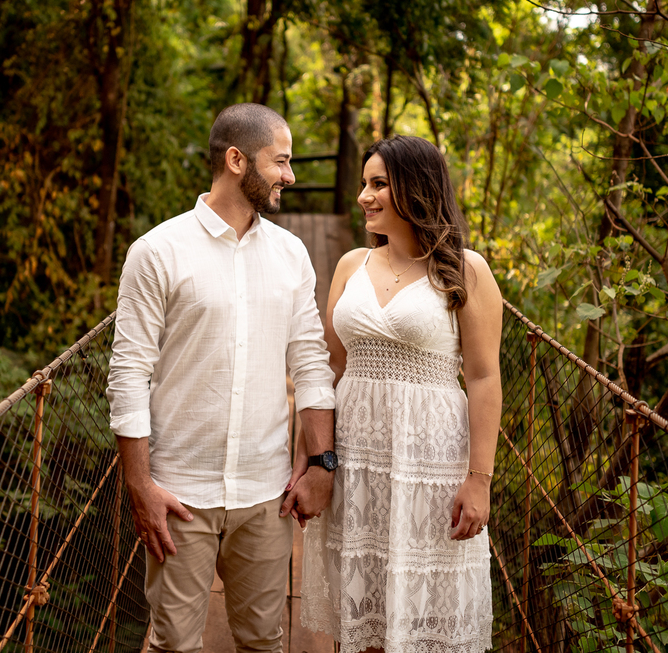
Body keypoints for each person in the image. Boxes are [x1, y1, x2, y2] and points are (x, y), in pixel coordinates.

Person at [106, 103, 338, 653]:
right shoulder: (156, 252)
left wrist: (322, 464)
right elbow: (128, 374)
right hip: (178, 493)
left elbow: (310, 362)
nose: (290, 175)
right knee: (172, 645)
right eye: (280, 162)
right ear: (237, 160)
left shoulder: (291, 254)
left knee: (264, 640)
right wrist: (139, 485)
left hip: (266, 492)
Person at [298, 135, 502, 653]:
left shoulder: (466, 269)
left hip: (427, 466)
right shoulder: (350, 265)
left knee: (421, 614)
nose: (365, 196)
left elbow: (482, 378)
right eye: (364, 184)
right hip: (359, 463)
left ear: (415, 187)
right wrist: (312, 459)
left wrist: (479, 480)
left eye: (379, 184)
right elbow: (330, 366)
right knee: (363, 612)